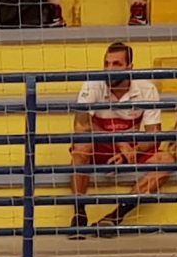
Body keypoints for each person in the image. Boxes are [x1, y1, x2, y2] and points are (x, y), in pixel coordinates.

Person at [68, 41, 171, 234]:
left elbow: (154, 135)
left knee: (166, 161)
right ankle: (79, 215)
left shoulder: (147, 89)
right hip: (101, 145)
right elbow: (81, 126)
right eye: (106, 63)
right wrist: (117, 141)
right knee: (81, 145)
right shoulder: (92, 84)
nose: (109, 69)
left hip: (130, 150)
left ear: (130, 68)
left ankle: (115, 217)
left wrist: (128, 154)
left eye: (116, 64)